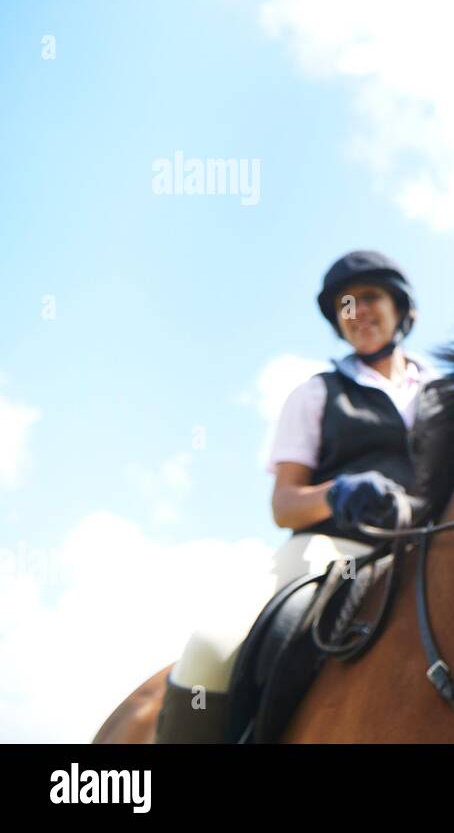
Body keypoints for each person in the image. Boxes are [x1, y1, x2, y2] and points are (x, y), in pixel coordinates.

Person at [155, 250, 436, 742]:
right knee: (211, 648)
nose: (358, 312)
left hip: (434, 548)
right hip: (333, 549)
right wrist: (339, 492)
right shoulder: (316, 393)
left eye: (370, 297)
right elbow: (283, 504)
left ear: (401, 308)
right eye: (345, 304)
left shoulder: (448, 393)